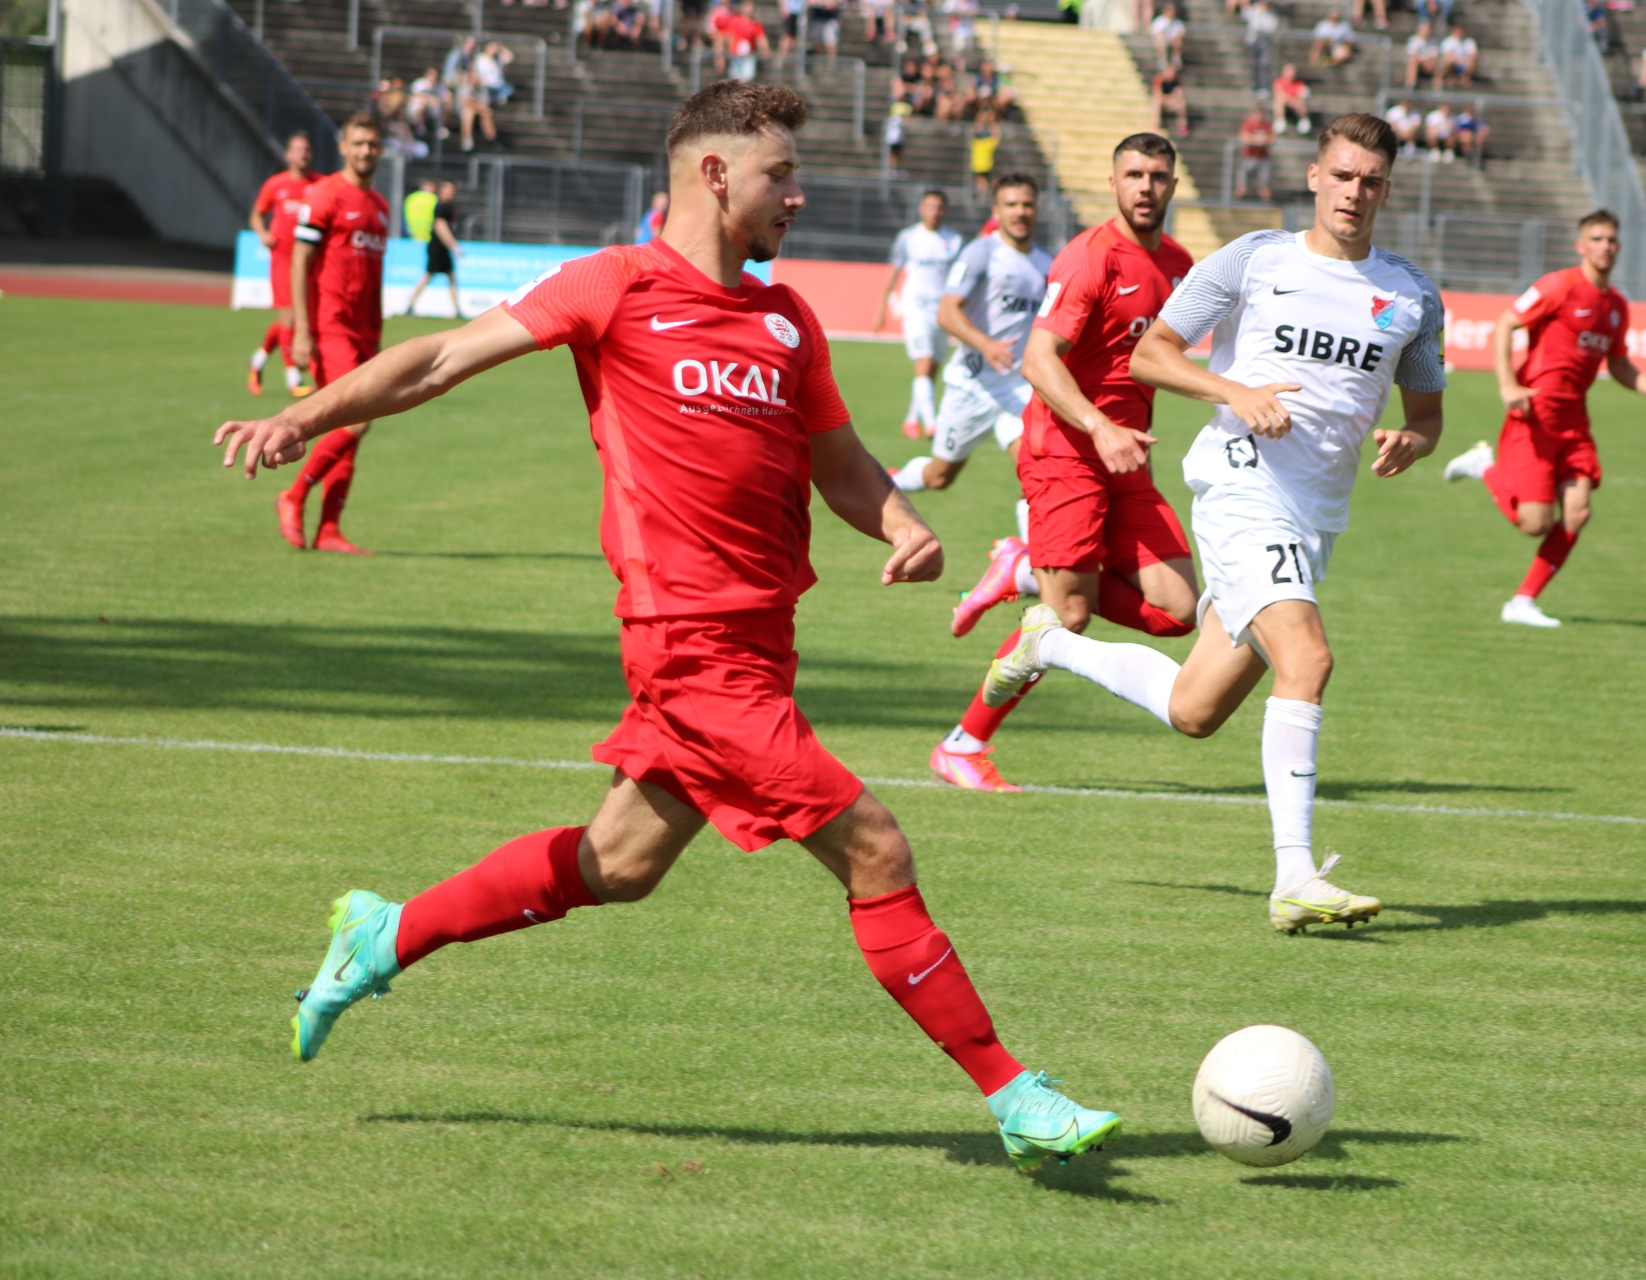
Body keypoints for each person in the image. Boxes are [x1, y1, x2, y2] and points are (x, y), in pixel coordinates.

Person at [213, 81, 1123, 1175]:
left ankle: (384, 933)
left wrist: (900, 521)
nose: (796, 194)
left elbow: (838, 460)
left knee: (620, 862)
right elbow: (441, 357)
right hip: (687, 648)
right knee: (876, 847)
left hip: (762, 650)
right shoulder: (616, 284)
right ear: (714, 173)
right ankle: (1015, 1095)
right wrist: (302, 414)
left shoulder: (787, 321)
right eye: (781, 174)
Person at [980, 113, 1445, 934]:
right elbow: (1151, 354)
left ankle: (1048, 644)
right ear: (1314, 176)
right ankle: (1295, 877)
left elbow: (1428, 411)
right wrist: (1235, 392)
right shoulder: (1253, 259)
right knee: (1307, 658)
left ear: (1387, 188)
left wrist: (1415, 438)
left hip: (1315, 518)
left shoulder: (1412, 295)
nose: (1354, 193)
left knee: (1194, 710)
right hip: (1241, 489)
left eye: (1371, 181)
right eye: (1342, 176)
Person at [930, 133, 1197, 793]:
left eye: (1157, 175)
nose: (1145, 187)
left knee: (1177, 610)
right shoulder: (1089, 257)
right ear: (1112, 183)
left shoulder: (1179, 264)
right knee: (1067, 617)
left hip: (1127, 458)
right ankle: (963, 745)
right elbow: (1037, 359)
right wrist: (1100, 426)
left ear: (1172, 184)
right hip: (1067, 450)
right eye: (1133, 174)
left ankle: (1024, 568)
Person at [1444, 210, 1646, 629]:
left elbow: (1618, 363)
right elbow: (1505, 323)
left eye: (1611, 240)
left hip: (1574, 422)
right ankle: (1485, 467)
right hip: (1535, 414)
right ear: (1581, 245)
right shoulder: (1558, 285)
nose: (1605, 246)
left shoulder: (1616, 306)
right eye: (1597, 239)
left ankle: (1522, 602)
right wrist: (1508, 384)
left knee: (1577, 513)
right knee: (1535, 523)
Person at [888, 174, 1051, 550]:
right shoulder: (980, 252)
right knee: (939, 476)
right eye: (1011, 205)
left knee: (1038, 473)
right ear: (997, 211)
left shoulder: (1047, 263)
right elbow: (947, 312)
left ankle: (1034, 563)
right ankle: (894, 481)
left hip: (1018, 390)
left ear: (1037, 209)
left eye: (1027, 204)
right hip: (972, 385)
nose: (1020, 212)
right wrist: (986, 344)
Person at [280, 112, 391, 555]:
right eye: (358, 143)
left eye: (373, 144)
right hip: (330, 326)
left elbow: (374, 275)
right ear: (343, 147)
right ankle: (293, 496)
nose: (366, 151)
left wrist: (377, 332)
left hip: (365, 332)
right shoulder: (325, 194)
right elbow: (299, 261)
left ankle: (329, 529)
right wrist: (301, 330)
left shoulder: (380, 205)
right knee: (356, 420)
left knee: (353, 426)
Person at [876, 190, 963, 439]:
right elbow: (893, 273)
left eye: (938, 207)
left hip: (941, 311)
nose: (934, 212)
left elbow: (958, 278)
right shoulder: (908, 237)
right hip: (916, 308)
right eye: (929, 207)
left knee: (932, 367)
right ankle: (932, 423)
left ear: (944, 211)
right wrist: (880, 309)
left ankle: (912, 419)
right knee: (923, 362)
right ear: (921, 209)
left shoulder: (954, 240)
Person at [245, 131, 321, 399]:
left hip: (310, 262)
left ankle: (257, 362)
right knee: (289, 316)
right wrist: (262, 234)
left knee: (294, 318)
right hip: (282, 259)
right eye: (298, 150)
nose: (303, 154)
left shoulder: (320, 184)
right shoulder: (276, 184)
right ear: (288, 154)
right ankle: (293, 379)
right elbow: (256, 214)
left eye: (307, 150)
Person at [405, 180, 465, 319]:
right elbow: (441, 227)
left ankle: (457, 309)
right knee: (429, 275)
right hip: (437, 248)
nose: (450, 194)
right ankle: (409, 304)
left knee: (449, 276)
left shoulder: (449, 207)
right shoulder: (441, 208)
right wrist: (454, 246)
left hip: (443, 248)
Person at [1237, 104, 1275, 198]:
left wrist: (1255, 140)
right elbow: (1244, 137)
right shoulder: (1249, 123)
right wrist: (1260, 141)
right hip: (1249, 156)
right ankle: (1241, 194)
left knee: (1265, 180)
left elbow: (1272, 138)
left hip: (1263, 157)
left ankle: (1265, 196)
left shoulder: (1267, 125)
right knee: (1243, 178)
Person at [1245, 0, 1280, 98]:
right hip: (1253, 40)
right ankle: (1254, 86)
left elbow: (1272, 27)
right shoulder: (1254, 10)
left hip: (1265, 41)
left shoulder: (1272, 13)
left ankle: (1264, 86)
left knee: (1264, 64)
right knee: (1253, 64)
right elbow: (1252, 24)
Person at [726, 0, 767, 80]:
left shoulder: (756, 24)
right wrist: (730, 49)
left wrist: (765, 50)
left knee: (747, 77)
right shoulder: (736, 21)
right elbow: (730, 36)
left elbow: (761, 38)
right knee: (735, 77)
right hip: (736, 54)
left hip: (749, 55)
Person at [1153, 60, 1191, 139]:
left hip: (1171, 102)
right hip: (1163, 102)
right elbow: (1157, 94)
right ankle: (1157, 124)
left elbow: (1179, 93)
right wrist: (1169, 98)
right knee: (1156, 101)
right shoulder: (1160, 79)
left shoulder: (1177, 80)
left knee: (1181, 103)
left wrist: (1175, 96)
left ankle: (1182, 126)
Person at [1273, 63, 1312, 134]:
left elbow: (1301, 94)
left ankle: (1303, 120)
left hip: (1296, 102)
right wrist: (1290, 99)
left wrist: (1296, 100)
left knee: (1302, 101)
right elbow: (1280, 92)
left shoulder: (1299, 83)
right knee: (1279, 100)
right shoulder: (1279, 81)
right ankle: (1280, 120)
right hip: (1285, 102)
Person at [970, 108, 1000, 195]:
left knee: (983, 181)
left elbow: (996, 136)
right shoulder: (977, 131)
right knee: (981, 181)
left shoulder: (990, 133)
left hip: (985, 163)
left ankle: (983, 195)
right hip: (979, 162)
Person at [1404, 22, 1439, 89]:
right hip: (1419, 64)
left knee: (1436, 65)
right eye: (1424, 29)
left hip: (1429, 65)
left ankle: (1437, 89)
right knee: (1413, 63)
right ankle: (1411, 85)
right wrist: (1424, 62)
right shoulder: (1413, 40)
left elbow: (1433, 56)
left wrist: (1429, 63)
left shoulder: (1432, 42)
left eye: (1427, 29)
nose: (1426, 31)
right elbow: (1413, 56)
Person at [1152, 2, 1187, 66]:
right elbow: (1157, 33)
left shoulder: (1178, 22)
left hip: (1173, 40)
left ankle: (1176, 59)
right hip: (1162, 40)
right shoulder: (1159, 21)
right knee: (1160, 41)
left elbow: (1182, 33)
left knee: (1178, 42)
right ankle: (1162, 60)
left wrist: (1174, 39)